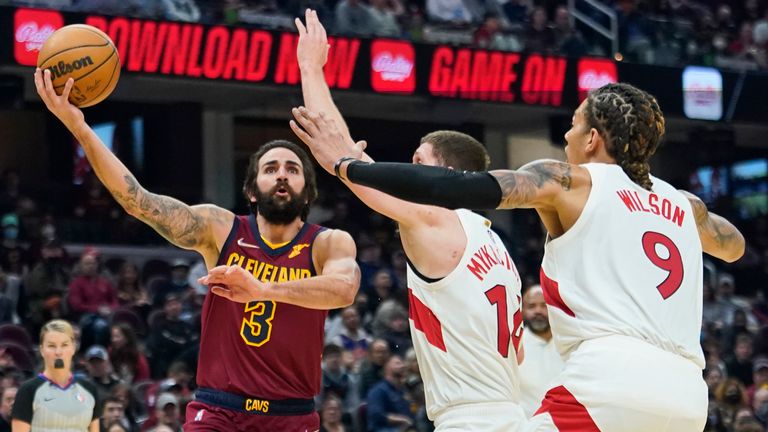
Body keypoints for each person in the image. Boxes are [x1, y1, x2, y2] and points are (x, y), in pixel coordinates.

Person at [292, 81, 746, 431]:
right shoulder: (688, 207)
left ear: (591, 140)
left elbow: (454, 187)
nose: (567, 134)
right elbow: (734, 245)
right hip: (688, 398)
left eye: (573, 124)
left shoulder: (568, 181)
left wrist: (347, 166)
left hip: (610, 381)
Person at [34, 67, 360, 432]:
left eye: (292, 169)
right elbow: (138, 202)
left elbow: (344, 289)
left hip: (292, 415)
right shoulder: (220, 229)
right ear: (252, 191)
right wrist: (80, 128)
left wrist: (263, 289)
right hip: (219, 410)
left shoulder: (328, 242)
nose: (282, 174)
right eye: (270, 169)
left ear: (307, 194)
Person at [287, 10, 526, 431]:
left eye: (418, 163)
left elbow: (343, 152)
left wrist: (310, 68)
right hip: (513, 412)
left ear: (444, 178)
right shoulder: (495, 244)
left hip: (470, 420)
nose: (405, 170)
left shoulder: (436, 222)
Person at [11, 320, 101, 432]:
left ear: (73, 348)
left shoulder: (90, 390)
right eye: (52, 346)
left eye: (64, 345)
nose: (58, 352)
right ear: (42, 350)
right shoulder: (28, 391)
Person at [517, 284, 564, 418]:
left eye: (544, 306)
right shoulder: (514, 347)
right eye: (532, 306)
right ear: (522, 310)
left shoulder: (569, 343)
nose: (538, 310)